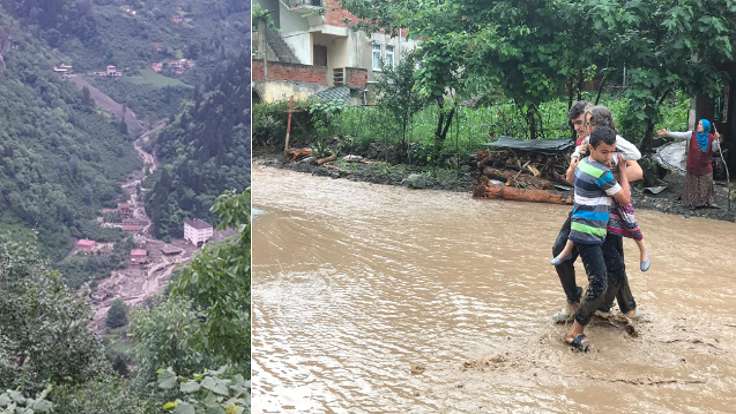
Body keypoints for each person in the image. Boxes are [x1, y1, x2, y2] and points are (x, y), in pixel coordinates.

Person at [551, 105, 642, 323]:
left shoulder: (610, 144)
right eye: (577, 124)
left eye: (583, 123)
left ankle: (617, 308)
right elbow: (570, 177)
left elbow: (637, 170)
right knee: (560, 250)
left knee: (614, 263)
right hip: (584, 209)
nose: (579, 128)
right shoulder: (585, 144)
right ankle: (574, 301)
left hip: (608, 210)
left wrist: (606, 180)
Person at [553, 107, 651, 272]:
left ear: (601, 122)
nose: (583, 126)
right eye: (581, 123)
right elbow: (572, 173)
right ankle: (565, 254)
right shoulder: (588, 141)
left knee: (629, 225)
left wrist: (614, 165)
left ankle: (643, 252)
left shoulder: (614, 142)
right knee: (576, 220)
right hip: (593, 202)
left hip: (613, 195)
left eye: (587, 122)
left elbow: (636, 161)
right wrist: (575, 160)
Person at [563, 126, 631, 351]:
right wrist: (621, 169)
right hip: (589, 233)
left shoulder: (584, 164)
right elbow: (624, 199)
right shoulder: (601, 173)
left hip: (592, 232)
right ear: (591, 148)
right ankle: (575, 332)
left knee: (617, 268)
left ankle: (597, 311)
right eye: (603, 152)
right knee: (599, 282)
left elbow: (570, 177)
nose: (608, 157)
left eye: (611, 152)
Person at [657, 119, 721, 209]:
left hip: (705, 167)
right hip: (693, 166)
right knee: (693, 185)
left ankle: (707, 202)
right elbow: (680, 134)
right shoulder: (692, 134)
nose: (698, 126)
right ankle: (692, 203)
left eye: (701, 125)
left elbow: (714, 149)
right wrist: (667, 133)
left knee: (707, 184)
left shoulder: (710, 137)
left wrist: (716, 140)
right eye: (698, 124)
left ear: (706, 127)